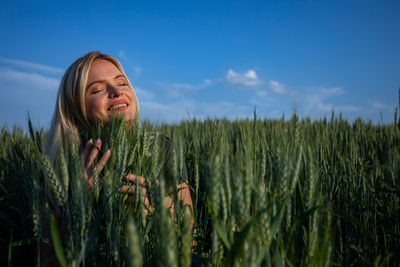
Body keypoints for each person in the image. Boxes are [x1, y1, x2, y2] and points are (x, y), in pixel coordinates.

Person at [46, 50, 193, 222]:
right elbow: (45, 248)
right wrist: (80, 203)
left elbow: (192, 242)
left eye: (122, 83)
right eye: (97, 89)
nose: (116, 91)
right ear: (76, 110)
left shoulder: (162, 149)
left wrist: (166, 217)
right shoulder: (58, 166)